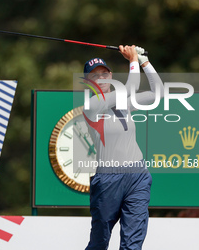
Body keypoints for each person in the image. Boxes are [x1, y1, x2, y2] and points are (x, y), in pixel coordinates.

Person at [82, 45, 163, 250]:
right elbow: (129, 87)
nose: (101, 77)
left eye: (104, 73)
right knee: (99, 242)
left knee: (132, 242)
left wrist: (144, 61)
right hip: (108, 180)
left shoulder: (124, 103)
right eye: (95, 75)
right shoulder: (91, 105)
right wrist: (132, 59)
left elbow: (158, 93)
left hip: (137, 175)